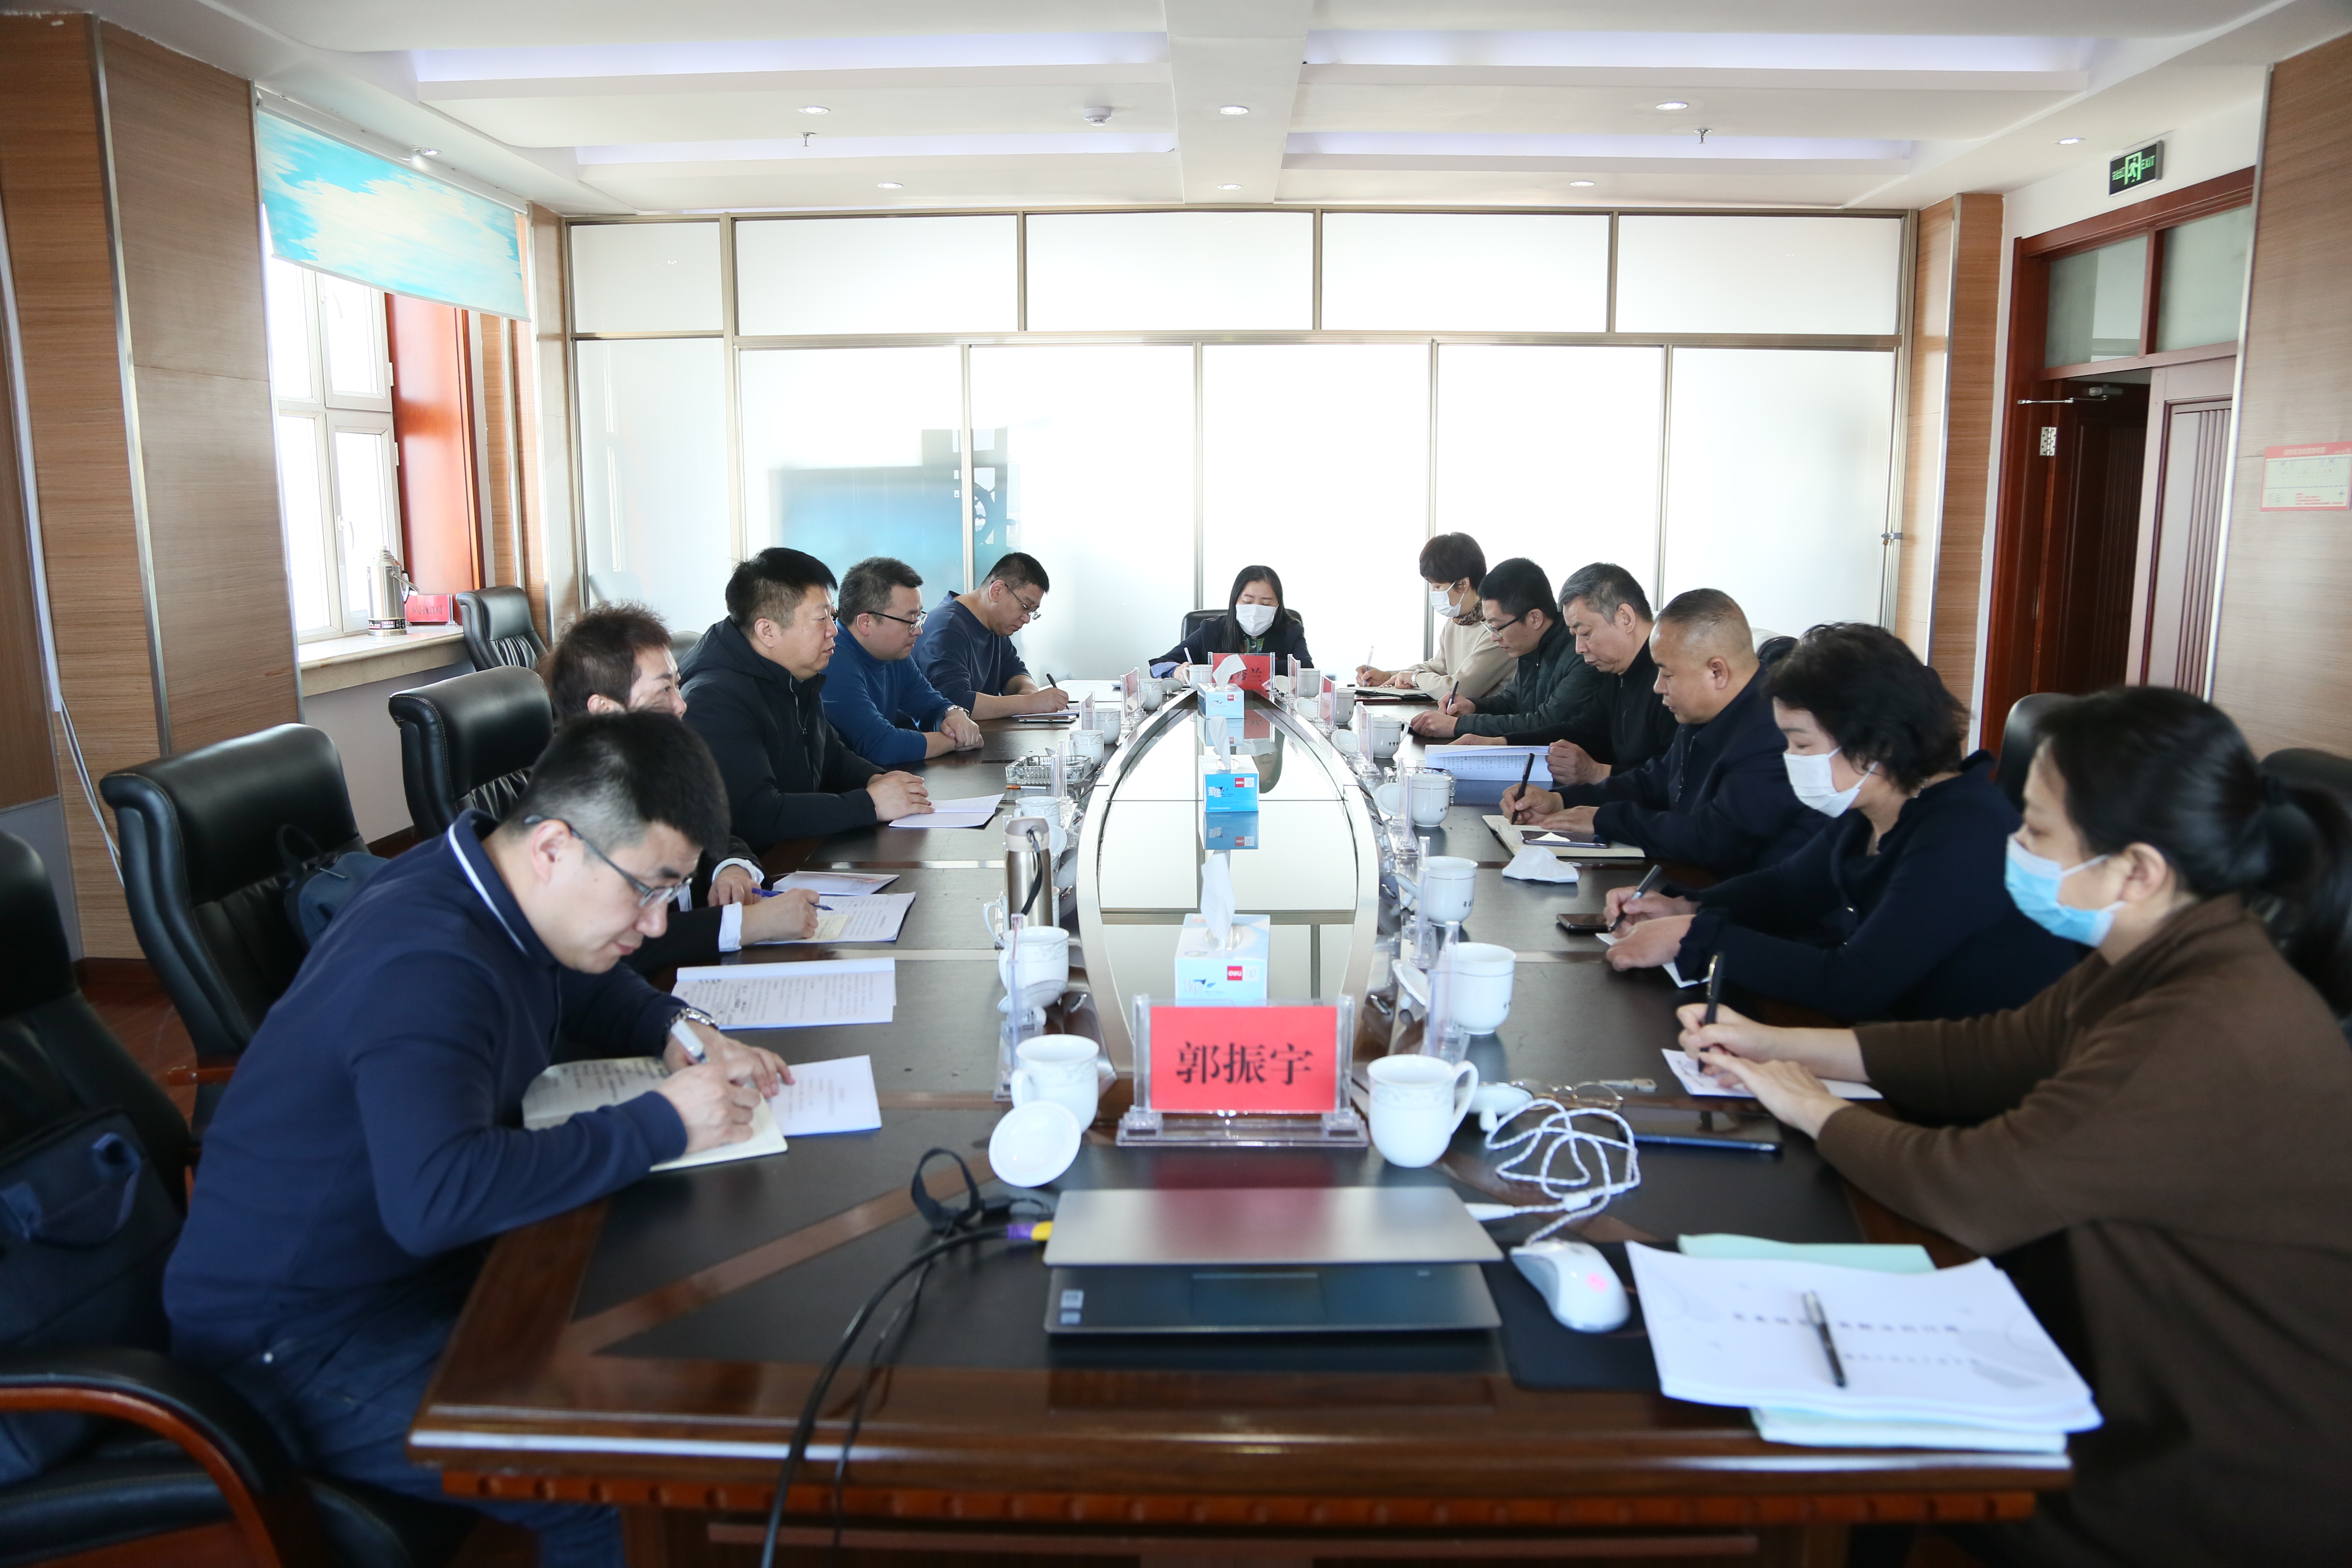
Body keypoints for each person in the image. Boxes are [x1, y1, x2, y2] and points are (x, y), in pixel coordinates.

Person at [1679, 686, 2352, 1568]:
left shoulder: (2206, 1025)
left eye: (2036, 830)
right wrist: (1775, 1042)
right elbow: (1991, 1051)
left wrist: (1807, 1103)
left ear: (2137, 871)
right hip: (2106, 1359)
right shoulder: (2170, 953)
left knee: (1822, 1442)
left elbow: (1972, 1190)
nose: (2014, 847)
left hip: (2202, 1464)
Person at [165, 714, 792, 1568]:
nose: (655, 925)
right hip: (296, 1340)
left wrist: (678, 1029)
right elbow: (438, 1197)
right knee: (620, 1477)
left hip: (412, 1273)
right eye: (646, 890)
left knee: (683, 1327)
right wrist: (663, 1121)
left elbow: (580, 982)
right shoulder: (426, 962)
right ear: (555, 847)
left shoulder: (488, 881)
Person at [1602, 624, 2081, 1020]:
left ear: (1876, 745)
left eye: (1802, 744)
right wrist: (1686, 906)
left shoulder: (1963, 832)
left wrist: (1696, 937)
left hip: (1964, 1076)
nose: (1790, 759)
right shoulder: (1870, 807)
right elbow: (1789, 889)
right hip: (1890, 1042)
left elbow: (1853, 981)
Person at [542, 604, 820, 956]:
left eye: (677, 684)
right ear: (606, 711)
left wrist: (731, 869)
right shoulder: (575, 814)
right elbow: (620, 942)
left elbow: (715, 838)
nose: (680, 704)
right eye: (664, 690)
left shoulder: (656, 768)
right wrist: (749, 924)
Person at [1499, 588, 1817, 878]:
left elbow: (1714, 838)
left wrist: (1603, 819)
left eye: (1667, 674)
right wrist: (1561, 800)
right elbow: (1655, 781)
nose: (1657, 687)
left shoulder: (1775, 732)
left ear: (1717, 672)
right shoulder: (1704, 712)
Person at [679, 548, 931, 847]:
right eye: (820, 619)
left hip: (804, 848)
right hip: (761, 867)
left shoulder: (793, 671)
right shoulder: (714, 700)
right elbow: (756, 816)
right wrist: (870, 804)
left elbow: (832, 756)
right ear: (768, 631)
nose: (833, 631)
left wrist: (876, 780)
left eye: (832, 616)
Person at [1453, 562, 1677, 776]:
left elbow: (1674, 782)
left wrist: (1598, 774)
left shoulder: (1672, 680)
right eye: (1575, 635)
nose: (1579, 648)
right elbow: (1582, 729)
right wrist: (1500, 743)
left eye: (1586, 633)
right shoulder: (1619, 673)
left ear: (1625, 618)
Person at [1408, 557, 1601, 741]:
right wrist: (1473, 706)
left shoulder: (1581, 654)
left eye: (1498, 627)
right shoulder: (1533, 645)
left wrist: (1458, 725)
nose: (1494, 637)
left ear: (1535, 618)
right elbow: (1512, 701)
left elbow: (1547, 723)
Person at [823, 556, 985, 766]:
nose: (918, 631)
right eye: (910, 621)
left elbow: (931, 706)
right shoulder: (832, 659)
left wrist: (953, 714)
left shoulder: (893, 653)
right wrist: (956, 741)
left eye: (919, 618)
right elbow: (882, 746)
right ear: (866, 622)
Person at [1355, 533, 1511, 702]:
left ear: (1463, 584)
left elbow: (1458, 689)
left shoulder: (1496, 628)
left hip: (1486, 719)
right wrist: (1389, 677)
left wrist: (1415, 678)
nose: (1433, 593)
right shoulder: (1457, 621)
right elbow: (1438, 668)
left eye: (1437, 586)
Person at [912, 551, 1068, 718]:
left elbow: (1014, 672)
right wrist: (1030, 703)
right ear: (997, 591)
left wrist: (1029, 692)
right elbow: (955, 704)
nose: (1027, 619)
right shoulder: (947, 628)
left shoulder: (995, 626)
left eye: (1032, 611)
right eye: (1025, 607)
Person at [1153, 564, 1314, 670]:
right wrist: (1177, 672)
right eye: (1248, 602)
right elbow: (1160, 666)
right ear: (1235, 601)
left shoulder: (1291, 630)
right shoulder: (1212, 630)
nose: (1256, 610)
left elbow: (1306, 668)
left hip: (1275, 709)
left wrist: (1245, 667)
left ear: (1278, 606)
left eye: (1266, 604)